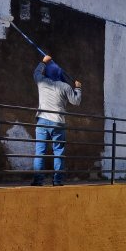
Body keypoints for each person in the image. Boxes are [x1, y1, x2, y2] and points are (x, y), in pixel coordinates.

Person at [31, 55, 82, 186]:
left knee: (40, 152)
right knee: (58, 152)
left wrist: (43, 62)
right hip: (58, 122)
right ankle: (57, 181)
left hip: (42, 121)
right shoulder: (65, 86)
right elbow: (76, 101)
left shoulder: (42, 82)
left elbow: (36, 73)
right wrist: (78, 88)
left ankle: (38, 181)